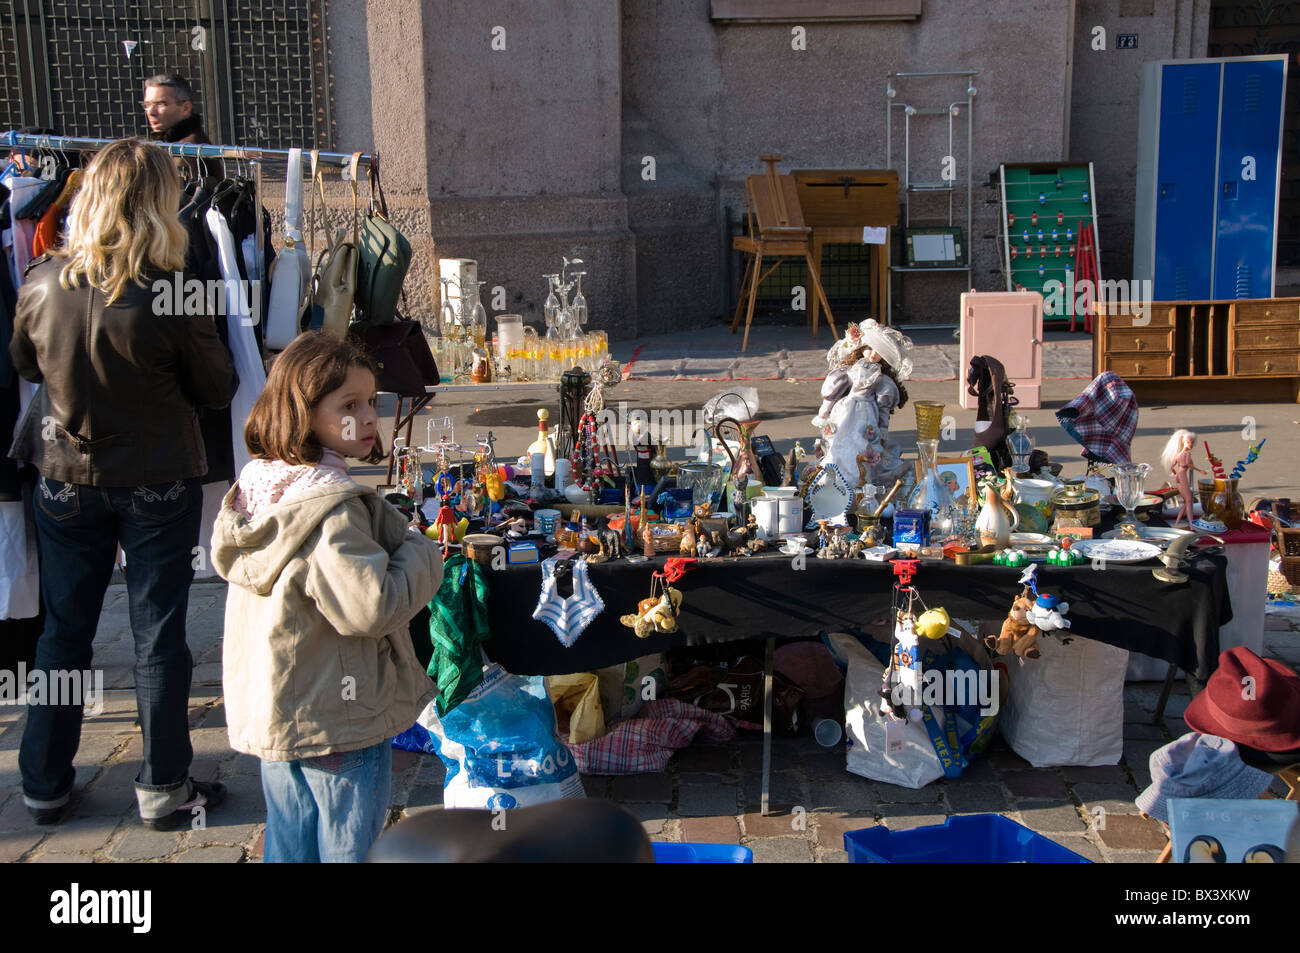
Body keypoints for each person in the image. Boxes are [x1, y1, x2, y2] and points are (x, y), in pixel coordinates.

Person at [9, 138, 239, 827]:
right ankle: (164, 786)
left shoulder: (42, 279)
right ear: (156, 205)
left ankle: (44, 780)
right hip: (154, 478)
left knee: (63, 632)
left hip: (64, 475)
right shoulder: (170, 288)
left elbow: (24, 363)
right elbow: (218, 384)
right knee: (157, 634)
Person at [211, 332, 442, 863]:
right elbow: (370, 607)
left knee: (290, 840)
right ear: (302, 412)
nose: (367, 418)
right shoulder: (330, 507)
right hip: (340, 718)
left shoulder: (257, 486)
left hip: (279, 707)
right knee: (348, 846)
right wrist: (421, 553)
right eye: (348, 405)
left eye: (371, 403)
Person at [142, 73, 220, 180]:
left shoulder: (191, 150)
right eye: (147, 105)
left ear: (186, 108)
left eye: (161, 104)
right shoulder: (162, 146)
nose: (151, 112)